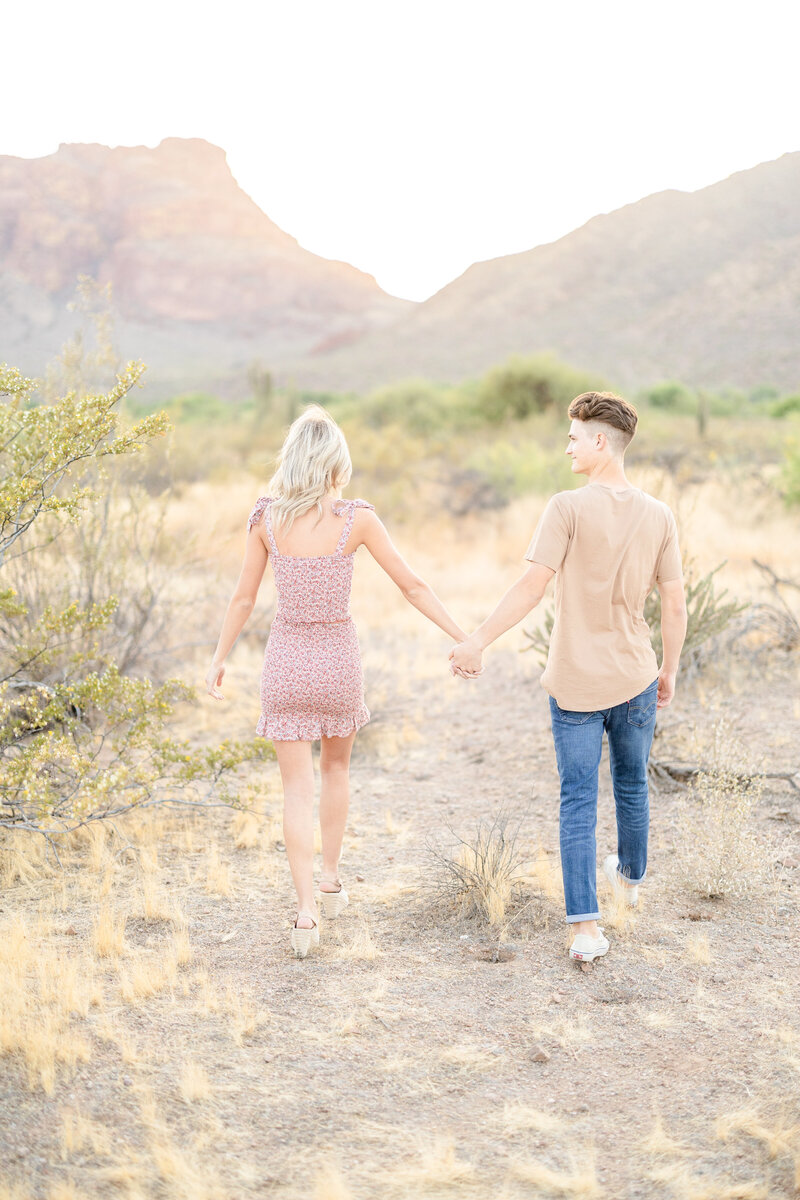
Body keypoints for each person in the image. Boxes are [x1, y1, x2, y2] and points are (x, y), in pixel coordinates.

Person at [206, 405, 468, 958]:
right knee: (337, 768)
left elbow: (244, 598)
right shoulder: (357, 518)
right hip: (338, 662)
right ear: (335, 463)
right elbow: (413, 587)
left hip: (286, 661)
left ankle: (305, 917)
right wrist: (461, 635)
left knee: (295, 788)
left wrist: (218, 656)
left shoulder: (265, 519)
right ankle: (329, 881)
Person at [450, 391, 687, 962]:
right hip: (635, 677)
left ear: (601, 442)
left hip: (577, 681)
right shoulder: (659, 515)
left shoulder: (566, 507)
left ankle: (585, 931)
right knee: (632, 786)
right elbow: (674, 605)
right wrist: (669, 669)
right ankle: (629, 883)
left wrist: (477, 640)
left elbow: (532, 587)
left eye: (575, 438)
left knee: (578, 799)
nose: (568, 447)